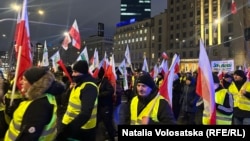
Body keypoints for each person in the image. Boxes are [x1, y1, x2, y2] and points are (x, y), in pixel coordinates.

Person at [4, 66, 65, 141]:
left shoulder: (40, 106)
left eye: (24, 80)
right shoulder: (40, 98)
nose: (20, 82)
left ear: (35, 84)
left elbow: (29, 137)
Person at [57, 60, 99, 141]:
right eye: (73, 72)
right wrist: (69, 90)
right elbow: (64, 100)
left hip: (82, 129)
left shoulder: (89, 87)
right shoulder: (77, 84)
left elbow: (85, 113)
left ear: (82, 72)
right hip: (69, 124)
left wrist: (67, 131)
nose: (73, 74)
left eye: (75, 72)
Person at [96, 67, 116, 141]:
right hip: (99, 107)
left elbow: (111, 90)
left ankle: (112, 137)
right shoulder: (97, 82)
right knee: (96, 123)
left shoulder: (105, 82)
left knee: (108, 124)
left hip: (106, 107)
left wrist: (100, 94)